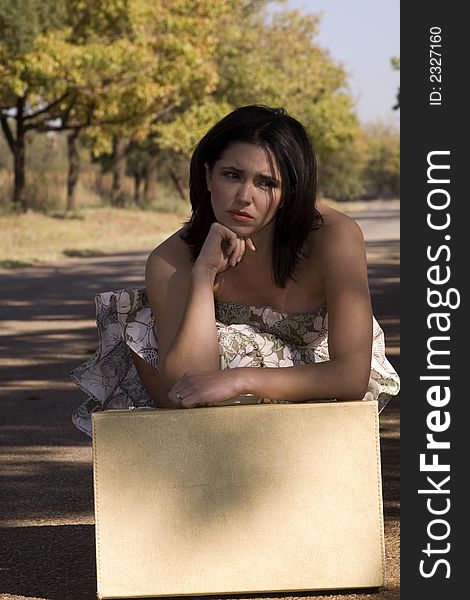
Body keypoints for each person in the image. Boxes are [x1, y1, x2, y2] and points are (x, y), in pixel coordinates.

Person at [71, 105, 399, 437]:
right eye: (232, 175)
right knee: (142, 320)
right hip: (210, 412)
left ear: (289, 193)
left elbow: (350, 377)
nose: (244, 197)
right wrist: (203, 275)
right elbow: (187, 386)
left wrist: (240, 378)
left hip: (316, 380)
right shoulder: (172, 258)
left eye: (266, 183)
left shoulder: (333, 237)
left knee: (231, 359)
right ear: (208, 176)